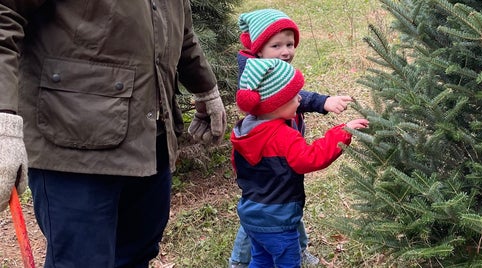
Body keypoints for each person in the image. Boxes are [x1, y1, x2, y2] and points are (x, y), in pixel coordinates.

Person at [0, 1, 226, 267]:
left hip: (150, 143)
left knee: (137, 254)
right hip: (74, 147)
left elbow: (179, 23)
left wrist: (205, 88)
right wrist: (4, 121)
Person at [229, 8, 353, 267]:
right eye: (277, 45)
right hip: (277, 190)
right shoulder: (256, 81)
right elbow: (309, 158)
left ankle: (294, 249)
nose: (286, 51)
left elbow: (292, 97)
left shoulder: (248, 125)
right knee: (276, 226)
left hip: (260, 193)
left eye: (289, 44)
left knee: (261, 224)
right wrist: (341, 133)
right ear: (258, 49)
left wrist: (322, 101)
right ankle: (240, 261)